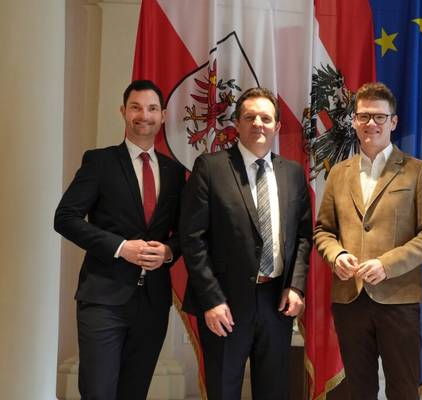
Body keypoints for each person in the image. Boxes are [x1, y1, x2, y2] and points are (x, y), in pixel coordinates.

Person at [313, 82, 422, 399]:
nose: (371, 123)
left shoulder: (417, 171)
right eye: (363, 116)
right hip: (350, 300)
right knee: (359, 390)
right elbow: (323, 230)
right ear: (354, 121)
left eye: (379, 117)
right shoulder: (338, 173)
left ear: (393, 122)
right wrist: (336, 255)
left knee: (403, 389)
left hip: (398, 300)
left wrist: (387, 265)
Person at [54, 80, 186, 399]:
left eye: (152, 109)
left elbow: (185, 232)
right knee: (98, 392)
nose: (144, 115)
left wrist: (169, 251)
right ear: (123, 112)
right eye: (136, 107)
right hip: (103, 300)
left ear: (163, 115)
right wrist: (121, 247)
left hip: (153, 303)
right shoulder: (100, 162)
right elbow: (65, 218)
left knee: (134, 392)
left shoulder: (174, 172)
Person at [179, 87, 312, 399]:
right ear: (237, 123)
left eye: (266, 118)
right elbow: (193, 238)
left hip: (276, 301)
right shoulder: (210, 167)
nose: (258, 124)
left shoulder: (293, 173)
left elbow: (304, 236)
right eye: (250, 117)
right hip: (225, 303)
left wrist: (296, 286)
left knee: (273, 391)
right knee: (223, 390)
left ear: (277, 126)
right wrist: (212, 300)